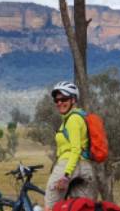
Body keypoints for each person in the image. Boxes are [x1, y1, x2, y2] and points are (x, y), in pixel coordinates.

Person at [44, 81, 97, 211]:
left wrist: (66, 175)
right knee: (80, 208)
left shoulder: (73, 119)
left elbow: (75, 149)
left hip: (69, 165)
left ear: (73, 99)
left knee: (51, 207)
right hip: (86, 168)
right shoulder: (79, 117)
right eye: (56, 100)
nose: (59, 103)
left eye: (64, 99)